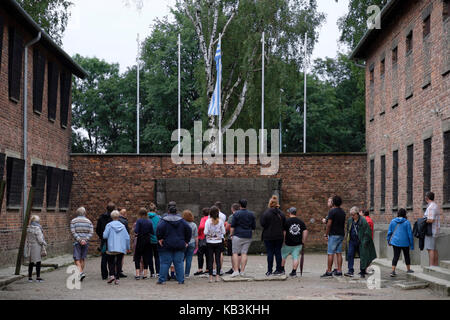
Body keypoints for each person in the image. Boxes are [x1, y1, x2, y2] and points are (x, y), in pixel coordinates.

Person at [156, 201, 192, 285]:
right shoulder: (182, 221)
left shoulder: (163, 221)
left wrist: (160, 238)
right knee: (179, 263)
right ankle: (181, 280)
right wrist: (186, 241)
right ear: (176, 212)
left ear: (168, 211)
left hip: (166, 244)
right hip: (179, 244)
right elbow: (188, 230)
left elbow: (158, 229)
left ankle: (162, 280)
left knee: (165, 263)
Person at [344, 206, 377, 278]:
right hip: (352, 241)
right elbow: (348, 229)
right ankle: (350, 271)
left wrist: (364, 241)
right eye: (351, 215)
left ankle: (362, 271)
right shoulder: (350, 220)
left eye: (353, 214)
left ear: (357, 213)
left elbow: (367, 232)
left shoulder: (363, 220)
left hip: (361, 241)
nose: (352, 216)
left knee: (363, 256)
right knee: (350, 254)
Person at [102, 210, 130, 285]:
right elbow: (127, 237)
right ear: (118, 217)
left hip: (111, 246)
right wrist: (127, 247)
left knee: (111, 262)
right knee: (118, 262)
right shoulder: (122, 226)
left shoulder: (108, 225)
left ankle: (111, 276)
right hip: (120, 247)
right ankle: (117, 279)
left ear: (111, 217)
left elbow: (104, 236)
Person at [260, 195, 286, 276]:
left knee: (270, 253)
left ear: (269, 204)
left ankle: (269, 270)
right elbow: (284, 225)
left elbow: (263, 224)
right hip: (279, 236)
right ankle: (278, 270)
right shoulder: (281, 213)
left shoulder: (266, 213)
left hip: (268, 236)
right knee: (278, 252)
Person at [229, 199, 256, 277]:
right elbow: (253, 226)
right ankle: (242, 271)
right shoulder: (251, 214)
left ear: (240, 205)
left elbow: (232, 226)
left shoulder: (236, 214)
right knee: (244, 253)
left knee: (235, 253)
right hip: (248, 235)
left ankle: (236, 270)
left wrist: (231, 234)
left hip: (237, 235)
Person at [321, 195, 346, 278]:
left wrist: (326, 234)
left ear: (333, 202)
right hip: (341, 234)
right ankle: (339, 270)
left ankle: (329, 271)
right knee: (339, 253)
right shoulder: (343, 212)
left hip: (333, 234)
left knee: (330, 253)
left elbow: (329, 224)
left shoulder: (332, 211)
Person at [387, 208, 414, 277]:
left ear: (398, 214)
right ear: (405, 214)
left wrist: (388, 241)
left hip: (395, 242)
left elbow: (389, 232)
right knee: (407, 255)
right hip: (405, 242)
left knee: (395, 256)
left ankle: (393, 271)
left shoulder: (393, 221)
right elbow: (410, 234)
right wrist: (411, 244)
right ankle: (408, 269)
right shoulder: (407, 222)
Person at [281, 207, 308, 277]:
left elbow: (284, 232)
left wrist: (283, 241)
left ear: (289, 213)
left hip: (287, 243)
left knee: (283, 256)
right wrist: (303, 241)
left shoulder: (286, 221)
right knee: (295, 257)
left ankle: (282, 270)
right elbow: (305, 231)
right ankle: (294, 272)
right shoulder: (301, 222)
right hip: (298, 244)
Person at [70, 207, 94, 282]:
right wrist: (85, 239)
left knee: (76, 258)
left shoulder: (73, 221)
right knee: (82, 258)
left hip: (77, 242)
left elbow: (73, 232)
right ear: (84, 213)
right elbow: (91, 232)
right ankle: (80, 274)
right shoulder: (88, 221)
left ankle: (80, 273)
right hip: (85, 242)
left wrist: (80, 240)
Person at [204, 206, 226, 282]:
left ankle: (210, 277)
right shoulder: (220, 221)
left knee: (210, 259)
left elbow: (205, 232)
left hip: (209, 242)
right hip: (218, 242)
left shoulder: (208, 221)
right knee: (217, 259)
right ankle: (217, 276)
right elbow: (224, 232)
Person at [25, 215, 47, 283]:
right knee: (38, 262)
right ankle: (38, 277)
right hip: (37, 246)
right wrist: (44, 243)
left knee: (31, 263)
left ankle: (30, 278)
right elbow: (40, 239)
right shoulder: (37, 228)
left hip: (30, 246)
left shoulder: (28, 228)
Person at [96, 202, 115, 280]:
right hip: (112, 240)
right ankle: (112, 273)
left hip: (104, 240)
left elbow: (97, 229)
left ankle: (104, 275)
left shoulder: (101, 217)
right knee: (112, 257)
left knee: (104, 257)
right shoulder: (114, 218)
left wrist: (101, 236)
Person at [134, 208, 154, 280]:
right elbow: (152, 232)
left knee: (137, 257)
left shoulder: (139, 221)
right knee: (146, 256)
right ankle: (145, 274)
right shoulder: (149, 221)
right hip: (148, 240)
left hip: (140, 239)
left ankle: (137, 274)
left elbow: (136, 231)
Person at [424, 192, 440, 266]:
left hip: (430, 231)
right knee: (434, 248)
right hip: (435, 230)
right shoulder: (435, 205)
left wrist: (423, 220)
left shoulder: (431, 207)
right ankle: (435, 265)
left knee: (430, 249)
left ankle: (431, 267)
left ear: (427, 198)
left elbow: (431, 220)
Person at [225, 203, 241, 274]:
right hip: (241, 236)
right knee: (240, 253)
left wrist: (225, 231)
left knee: (233, 253)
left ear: (232, 209)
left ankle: (234, 268)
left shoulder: (232, 216)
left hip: (233, 236)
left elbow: (228, 226)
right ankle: (239, 268)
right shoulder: (242, 215)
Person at [194, 207, 210, 276]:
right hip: (209, 239)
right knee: (208, 255)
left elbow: (201, 227)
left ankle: (200, 269)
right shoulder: (210, 219)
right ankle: (208, 268)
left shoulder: (203, 219)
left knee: (200, 254)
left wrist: (199, 233)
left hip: (202, 238)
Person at [183, 210, 198, 278]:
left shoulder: (182, 224)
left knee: (181, 259)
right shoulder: (194, 224)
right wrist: (196, 245)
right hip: (192, 242)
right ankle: (187, 274)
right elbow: (196, 236)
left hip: (183, 242)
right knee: (189, 259)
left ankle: (180, 272)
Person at [148, 203, 161, 277]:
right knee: (157, 256)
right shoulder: (159, 217)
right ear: (155, 210)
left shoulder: (146, 217)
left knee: (149, 256)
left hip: (149, 239)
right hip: (157, 239)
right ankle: (158, 272)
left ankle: (152, 272)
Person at [214, 201, 227, 275]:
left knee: (213, 253)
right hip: (220, 235)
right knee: (220, 253)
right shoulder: (223, 215)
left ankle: (214, 269)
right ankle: (220, 269)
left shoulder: (211, 215)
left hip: (212, 236)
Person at [118, 208, 130, 278]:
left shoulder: (116, 220)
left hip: (115, 241)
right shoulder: (125, 221)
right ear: (124, 214)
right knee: (121, 257)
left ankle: (115, 270)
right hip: (122, 241)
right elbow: (127, 233)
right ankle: (119, 271)